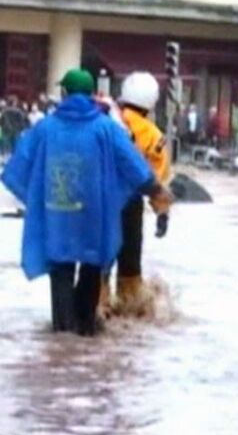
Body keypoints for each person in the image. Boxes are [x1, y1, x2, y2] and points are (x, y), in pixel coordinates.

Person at [0, 69, 171, 336]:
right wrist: (156, 191)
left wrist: (36, 197)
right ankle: (85, 331)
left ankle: (64, 338)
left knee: (61, 271)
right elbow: (135, 167)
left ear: (65, 94)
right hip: (95, 215)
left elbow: (16, 170)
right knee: (93, 267)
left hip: (57, 214)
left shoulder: (45, 128)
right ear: (92, 95)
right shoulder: (107, 129)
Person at [106, 71, 172, 316]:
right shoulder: (154, 136)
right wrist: (162, 214)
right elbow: (157, 181)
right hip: (131, 205)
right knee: (130, 265)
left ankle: (98, 305)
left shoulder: (107, 120)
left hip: (101, 202)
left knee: (99, 261)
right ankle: (128, 308)